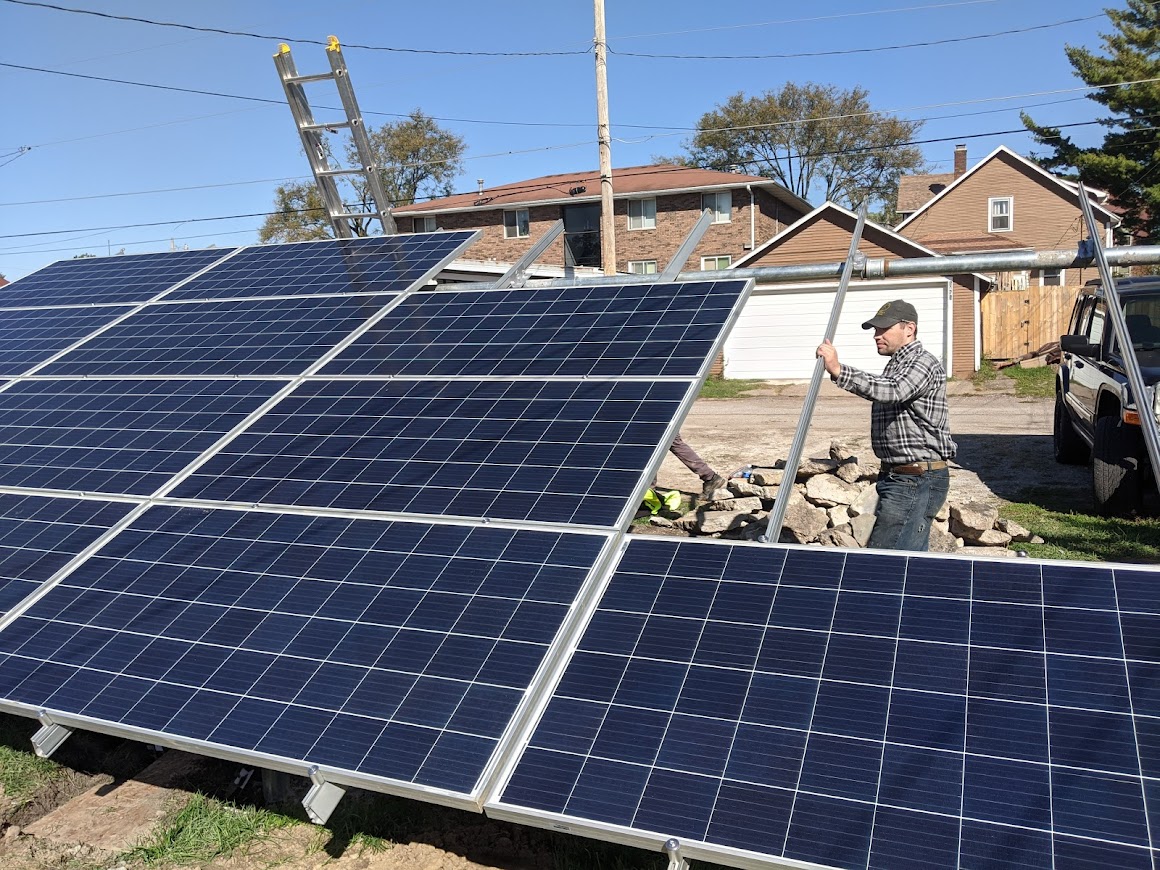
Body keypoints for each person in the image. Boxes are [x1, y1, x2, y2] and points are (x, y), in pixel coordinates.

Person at [815, 299, 956, 551]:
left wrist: (838, 369)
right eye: (875, 330)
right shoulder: (898, 363)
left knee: (887, 561)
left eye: (883, 329)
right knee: (905, 562)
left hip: (915, 478)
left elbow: (893, 390)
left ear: (909, 328)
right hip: (902, 477)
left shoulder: (922, 362)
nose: (876, 336)